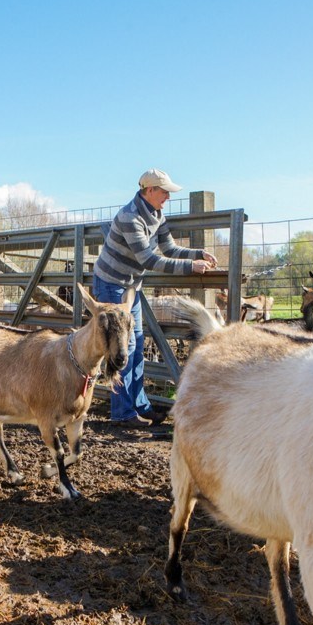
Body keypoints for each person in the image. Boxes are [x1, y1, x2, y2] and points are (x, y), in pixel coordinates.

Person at [92, 168, 217, 429]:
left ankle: (140, 405)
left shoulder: (157, 214)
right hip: (112, 283)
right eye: (165, 192)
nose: (168, 197)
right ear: (150, 191)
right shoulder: (130, 217)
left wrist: (198, 253)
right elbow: (148, 259)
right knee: (122, 348)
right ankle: (122, 414)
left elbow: (169, 248)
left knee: (136, 343)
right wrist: (189, 268)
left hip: (129, 287)